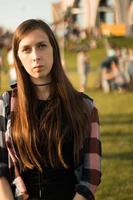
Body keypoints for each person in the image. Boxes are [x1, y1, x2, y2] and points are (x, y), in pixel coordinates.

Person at [0, 19, 102, 200]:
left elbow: (91, 174)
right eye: (26, 49)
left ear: (54, 49)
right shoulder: (6, 104)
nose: (35, 56)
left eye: (41, 46)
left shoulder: (85, 106)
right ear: (18, 58)